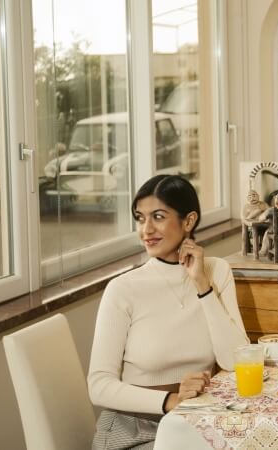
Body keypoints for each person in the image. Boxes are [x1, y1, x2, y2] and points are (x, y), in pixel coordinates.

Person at [88, 175, 249, 450]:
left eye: (158, 217)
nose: (146, 230)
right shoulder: (123, 289)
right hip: (134, 429)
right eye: (140, 219)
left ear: (189, 221)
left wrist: (202, 286)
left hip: (195, 423)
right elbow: (99, 385)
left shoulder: (216, 271)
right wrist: (171, 401)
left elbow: (237, 362)